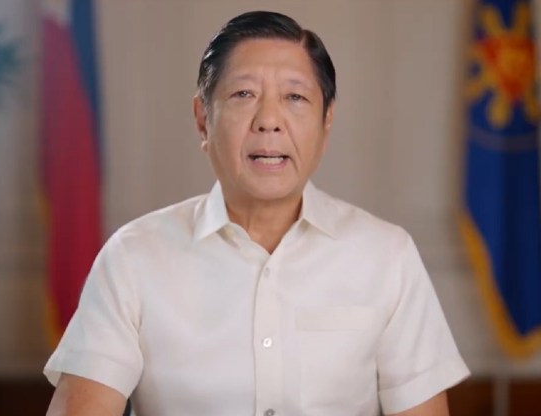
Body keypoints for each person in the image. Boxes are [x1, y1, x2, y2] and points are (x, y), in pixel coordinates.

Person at [45, 10, 470, 416]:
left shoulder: (387, 256)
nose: (269, 120)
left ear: (326, 122)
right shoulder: (133, 257)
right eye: (244, 94)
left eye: (295, 97)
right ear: (202, 120)